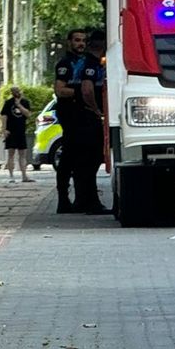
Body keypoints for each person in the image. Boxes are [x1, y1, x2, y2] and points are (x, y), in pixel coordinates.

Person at [52, 29, 108, 214]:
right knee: (72, 156)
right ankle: (65, 199)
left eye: (83, 40)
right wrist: (82, 94)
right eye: (77, 40)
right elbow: (60, 90)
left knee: (81, 158)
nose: (81, 44)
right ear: (69, 42)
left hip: (83, 114)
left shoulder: (87, 61)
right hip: (73, 114)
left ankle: (82, 199)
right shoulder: (66, 64)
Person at [1, 86, 35, 183]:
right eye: (14, 91)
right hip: (11, 131)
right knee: (11, 154)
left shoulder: (25, 102)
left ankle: (24, 175)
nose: (16, 93)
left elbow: (28, 114)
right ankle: (11, 176)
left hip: (21, 131)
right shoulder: (8, 103)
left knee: (22, 154)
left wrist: (19, 105)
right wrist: (4, 129)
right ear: (12, 93)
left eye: (18, 91)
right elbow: (4, 116)